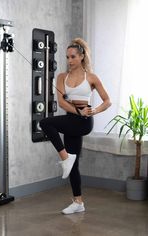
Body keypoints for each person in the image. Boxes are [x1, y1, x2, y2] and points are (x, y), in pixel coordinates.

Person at [40, 38, 111, 214]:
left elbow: (107, 101)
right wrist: (77, 111)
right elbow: (62, 103)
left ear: (81, 56)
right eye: (67, 57)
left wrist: (93, 111)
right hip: (71, 119)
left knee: (45, 123)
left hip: (83, 122)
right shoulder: (62, 77)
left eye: (72, 57)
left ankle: (65, 158)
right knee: (74, 165)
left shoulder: (91, 78)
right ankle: (78, 202)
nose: (69, 60)